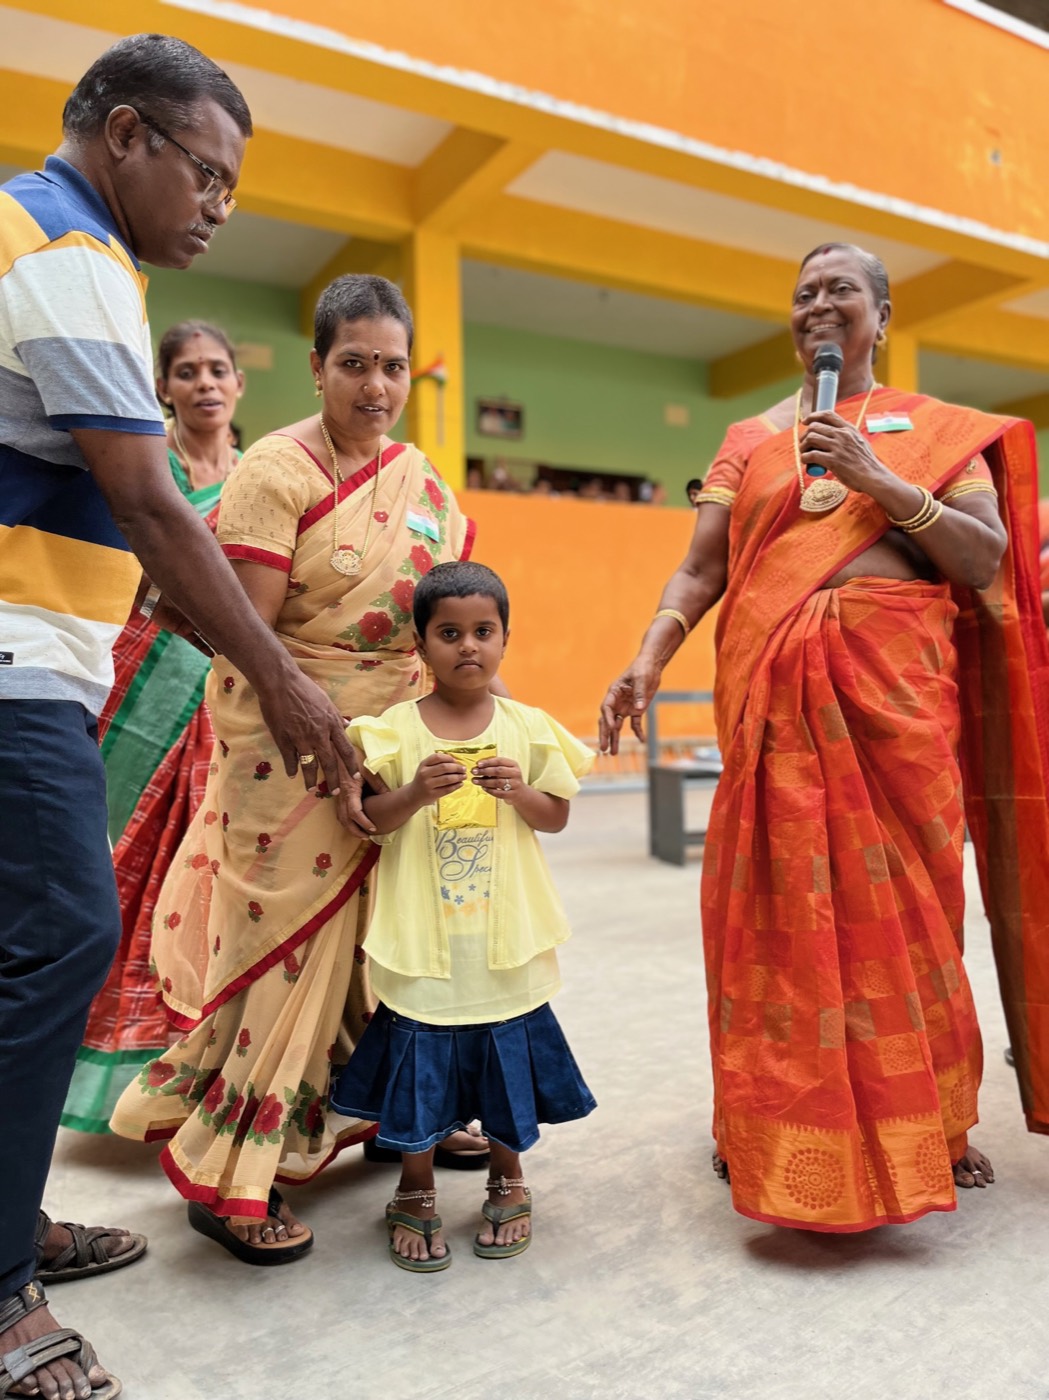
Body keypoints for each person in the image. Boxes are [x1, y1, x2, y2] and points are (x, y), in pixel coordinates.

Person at [0, 36, 363, 1400]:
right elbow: (155, 508)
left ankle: (9, 1220)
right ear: (128, 137)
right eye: (203, 172)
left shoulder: (32, 234)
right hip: (16, 658)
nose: (217, 203)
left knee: (21, 947)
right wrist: (289, 684)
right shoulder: (74, 255)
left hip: (50, 652)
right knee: (62, 938)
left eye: (232, 184)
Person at [600, 242, 1049, 1233]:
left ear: (879, 316)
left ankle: (930, 1120)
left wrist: (877, 479)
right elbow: (698, 570)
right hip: (773, 703)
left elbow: (983, 557)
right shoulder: (749, 436)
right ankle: (757, 1120)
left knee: (917, 917)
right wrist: (649, 651)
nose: (816, 305)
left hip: (898, 708)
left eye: (838, 290)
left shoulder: (935, 433)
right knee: (766, 917)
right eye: (801, 293)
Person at [110, 274, 485, 1264]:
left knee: (395, 942)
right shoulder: (277, 472)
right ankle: (236, 1170)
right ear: (317, 365)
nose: (375, 385)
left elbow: (447, 617)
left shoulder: (424, 480)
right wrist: (329, 730)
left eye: (393, 365)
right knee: (286, 954)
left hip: (399, 746)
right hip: (291, 749)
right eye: (354, 363)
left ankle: (389, 1110)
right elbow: (248, 636)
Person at [331, 561, 596, 1271]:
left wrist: (522, 795)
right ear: (420, 644)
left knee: (505, 1062)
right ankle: (413, 1190)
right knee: (418, 1060)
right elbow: (369, 822)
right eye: (449, 633)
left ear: (505, 639)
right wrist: (414, 792)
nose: (468, 647)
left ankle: (507, 1176)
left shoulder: (528, 729)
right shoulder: (391, 731)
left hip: (503, 942)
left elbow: (558, 816)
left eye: (483, 631)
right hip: (425, 940)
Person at [62, 322, 244, 1135]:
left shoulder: (258, 480)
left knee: (196, 885)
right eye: (187, 372)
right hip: (135, 693)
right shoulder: (148, 471)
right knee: (122, 881)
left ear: (240, 384)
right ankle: (115, 1077)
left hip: (223, 710)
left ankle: (189, 1075)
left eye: (217, 370)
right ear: (163, 387)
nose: (204, 383)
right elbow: (126, 573)